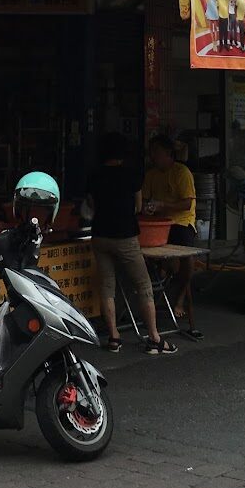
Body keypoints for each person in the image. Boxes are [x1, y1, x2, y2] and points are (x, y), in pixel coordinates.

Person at [87, 132, 176, 355]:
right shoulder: (131, 175)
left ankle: (114, 338)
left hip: (100, 235)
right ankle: (154, 339)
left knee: (107, 286)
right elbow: (138, 207)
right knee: (143, 285)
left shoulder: (95, 175)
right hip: (125, 236)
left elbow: (91, 205)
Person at [142, 134, 201, 328]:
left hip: (181, 223)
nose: (153, 156)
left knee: (187, 258)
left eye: (156, 152)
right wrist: (148, 208)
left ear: (168, 153)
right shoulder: (151, 175)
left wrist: (162, 205)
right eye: (151, 152)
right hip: (158, 223)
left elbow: (187, 204)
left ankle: (181, 296)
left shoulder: (182, 172)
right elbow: (144, 200)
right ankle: (158, 288)